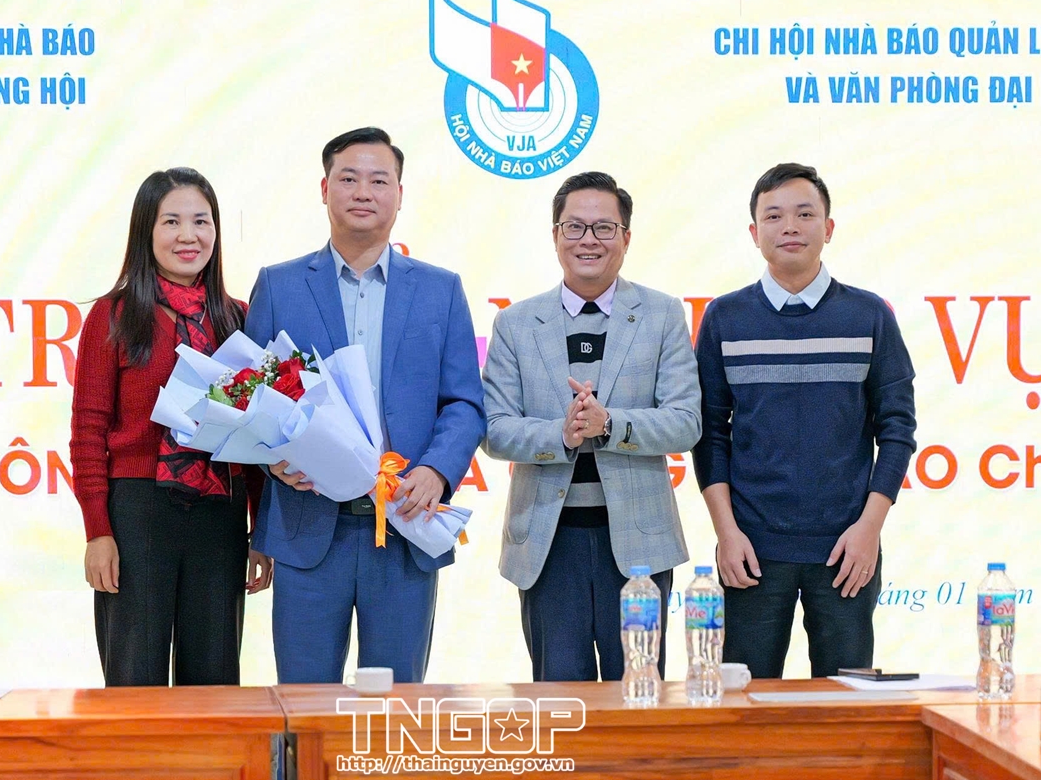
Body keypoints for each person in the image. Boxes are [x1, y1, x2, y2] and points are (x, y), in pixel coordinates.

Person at [244, 126, 486, 684]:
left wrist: (436, 470)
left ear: (399, 194)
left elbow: (464, 403)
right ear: (324, 189)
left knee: (395, 708)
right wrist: (273, 458)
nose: (363, 192)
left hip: (404, 525)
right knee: (305, 705)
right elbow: (253, 394)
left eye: (379, 181)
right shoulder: (279, 285)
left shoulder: (440, 289)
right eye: (348, 178)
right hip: (308, 530)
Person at [694, 163, 916, 678]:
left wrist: (869, 529)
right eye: (774, 216)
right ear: (755, 233)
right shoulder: (724, 318)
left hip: (846, 550)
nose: (789, 227)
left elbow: (898, 430)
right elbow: (709, 433)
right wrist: (727, 533)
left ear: (828, 228)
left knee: (844, 705)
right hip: (750, 549)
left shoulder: (869, 315)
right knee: (743, 703)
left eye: (804, 214)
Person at [484, 171, 702, 682]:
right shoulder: (515, 324)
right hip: (547, 544)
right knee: (560, 702)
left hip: (639, 546)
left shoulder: (662, 315)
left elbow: (686, 421)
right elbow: (494, 429)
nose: (589, 240)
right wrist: (561, 435)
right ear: (555, 235)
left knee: (639, 696)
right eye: (574, 227)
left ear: (626, 237)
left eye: (604, 228)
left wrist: (609, 425)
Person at [70, 168, 271, 687]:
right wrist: (98, 531)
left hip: (220, 517)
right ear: (147, 231)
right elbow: (88, 432)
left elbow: (255, 436)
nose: (189, 236)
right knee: (133, 682)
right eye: (172, 221)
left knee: (214, 682)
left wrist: (261, 531)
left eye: (201, 221)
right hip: (138, 515)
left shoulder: (238, 318)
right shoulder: (114, 316)